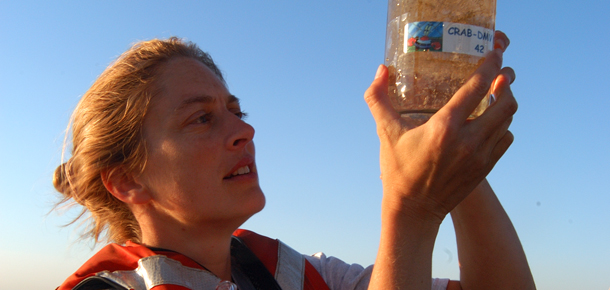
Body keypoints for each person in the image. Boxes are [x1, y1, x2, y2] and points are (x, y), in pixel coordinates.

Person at [54, 32, 535, 290]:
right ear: (126, 181)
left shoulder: (295, 273)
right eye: (201, 119)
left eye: (236, 111)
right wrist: (412, 210)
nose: (244, 130)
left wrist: (450, 141)